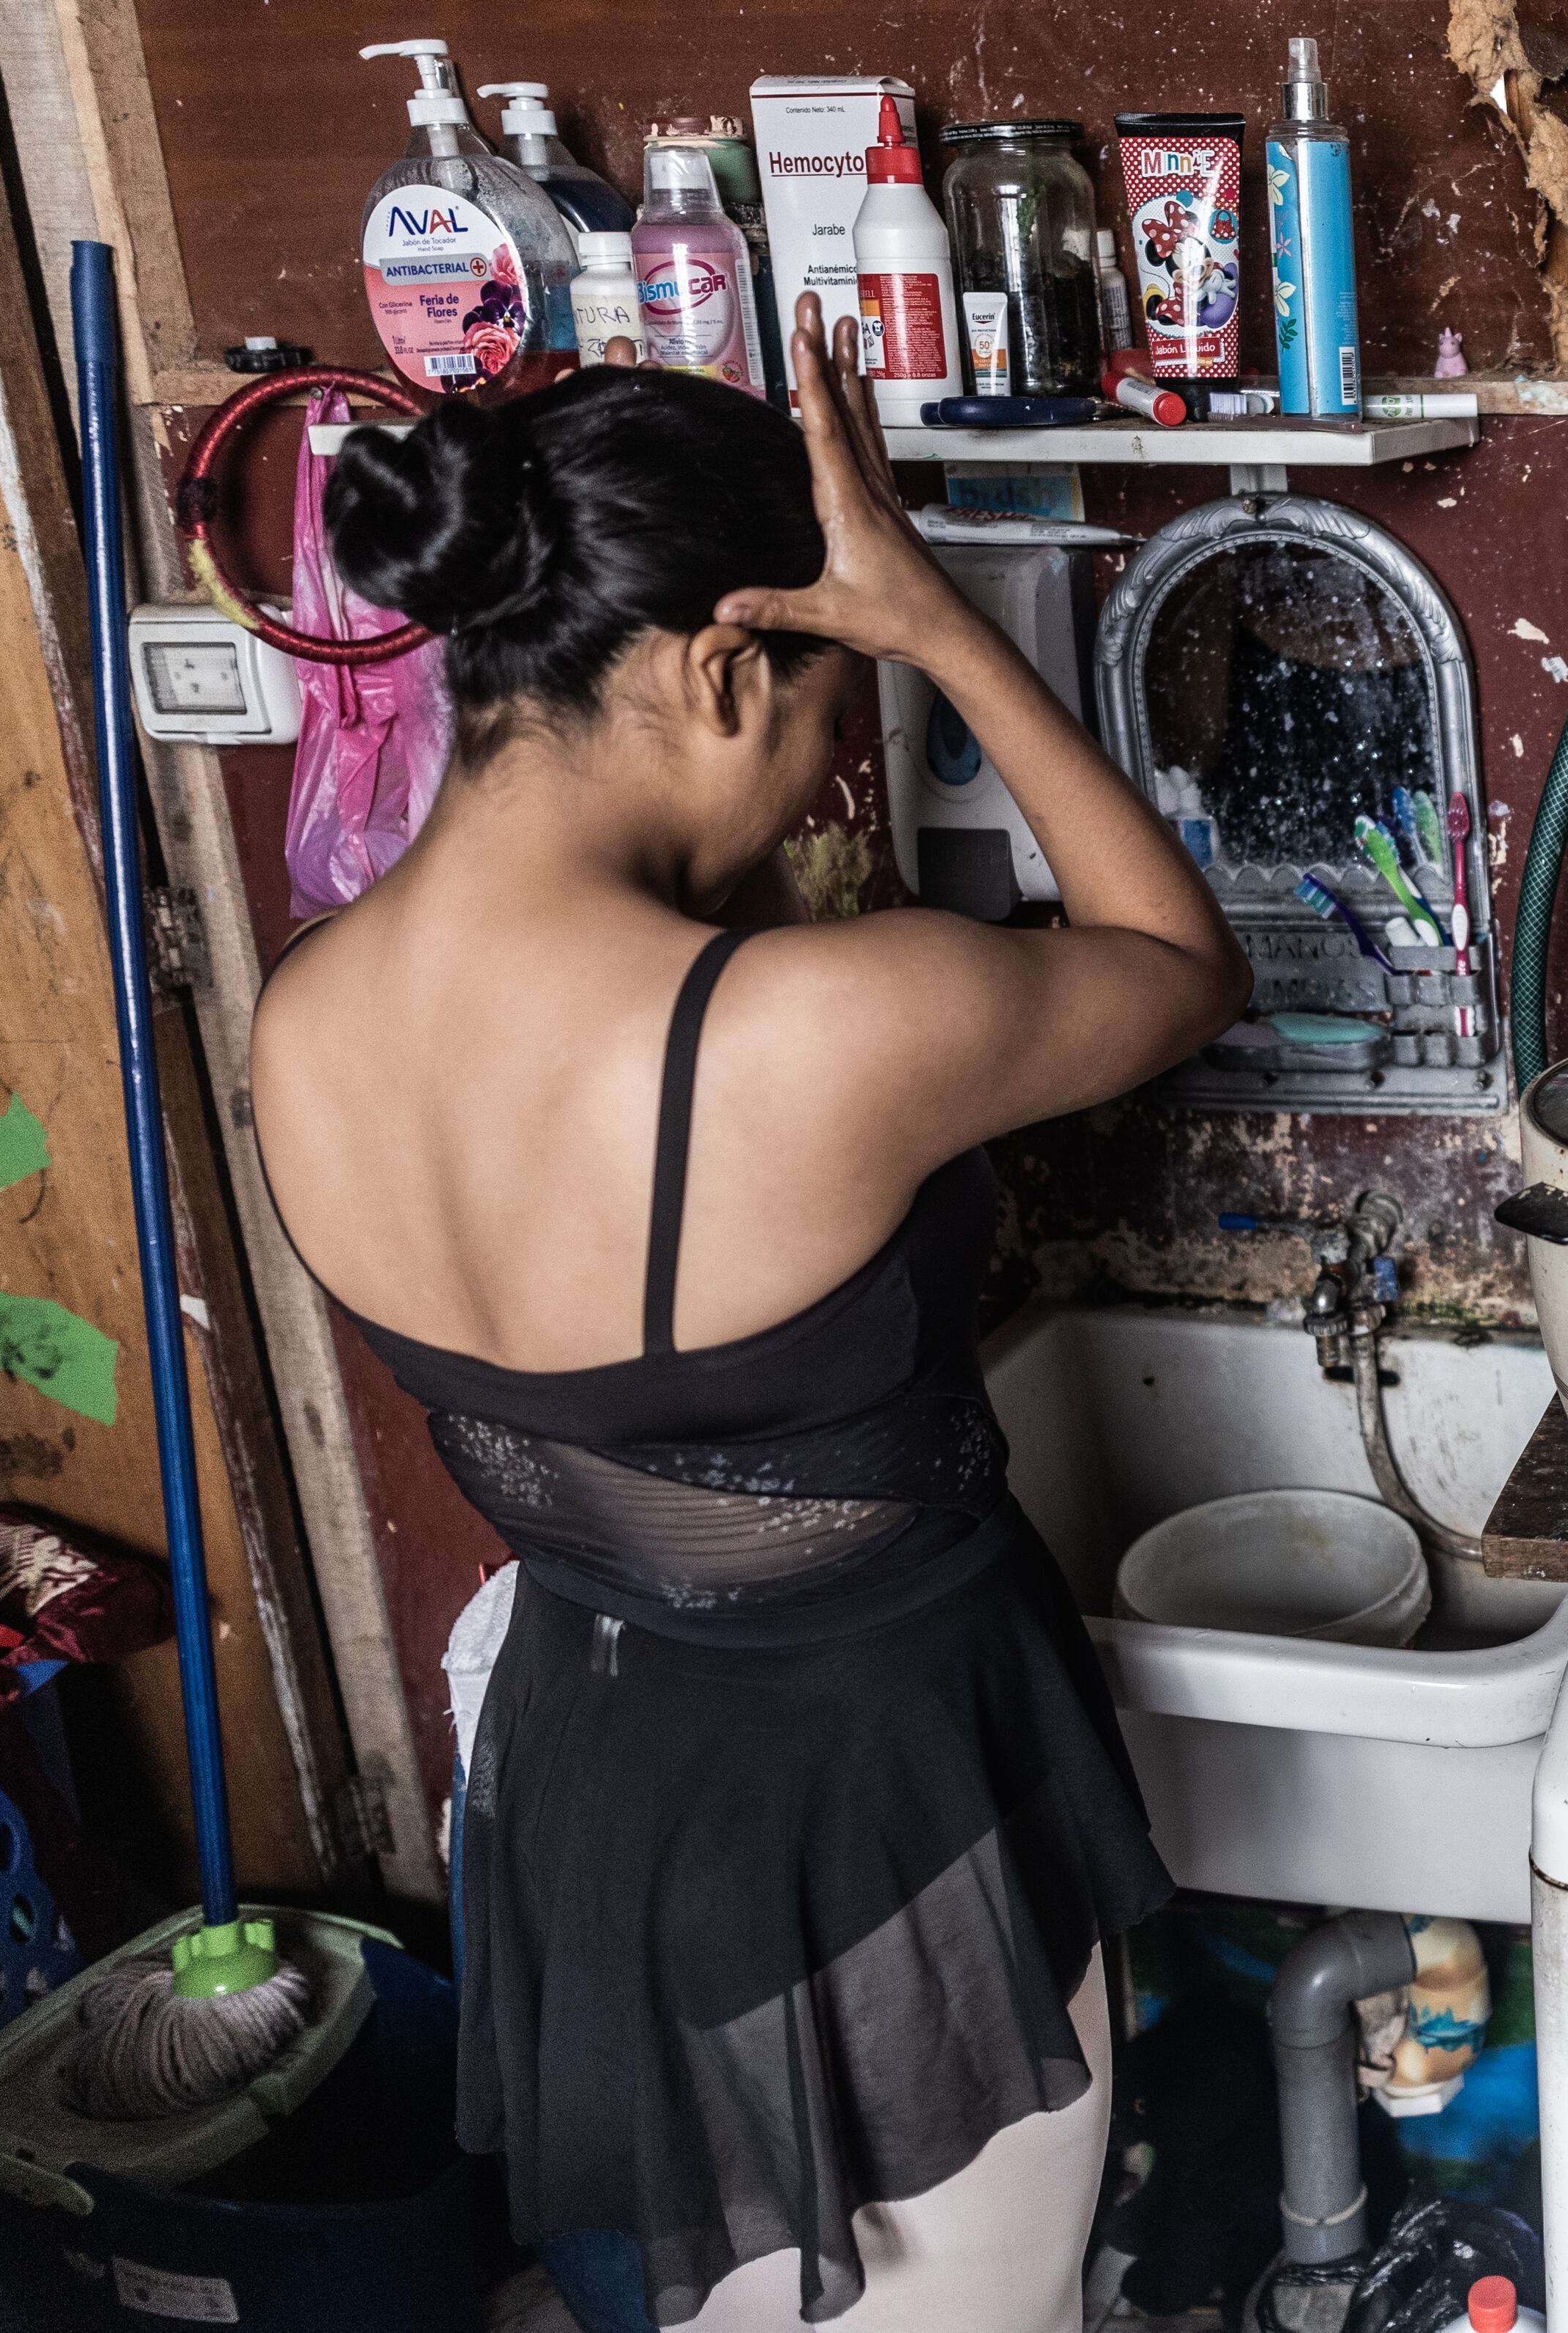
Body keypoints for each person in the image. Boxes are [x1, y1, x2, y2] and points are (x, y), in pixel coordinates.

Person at [248, 298, 1250, 2329]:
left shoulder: (303, 1013)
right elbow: (1175, 960)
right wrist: (942, 621)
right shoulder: (808, 1028)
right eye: (818, 714)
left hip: (595, 1778)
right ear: (721, 661)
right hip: (885, 1787)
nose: (817, 793)